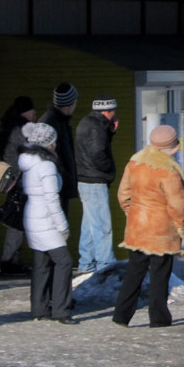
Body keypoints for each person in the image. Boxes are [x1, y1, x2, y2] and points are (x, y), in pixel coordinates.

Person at [112, 125, 184, 329]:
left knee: (134, 272)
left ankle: (121, 315)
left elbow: (123, 195)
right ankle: (159, 318)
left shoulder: (134, 164)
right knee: (159, 276)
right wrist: (181, 228)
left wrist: (132, 213)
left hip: (137, 228)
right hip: (162, 232)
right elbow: (177, 205)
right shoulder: (169, 171)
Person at [18, 122, 76, 324]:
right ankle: (61, 310)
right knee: (64, 261)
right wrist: (62, 226)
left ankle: (39, 308)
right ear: (49, 143)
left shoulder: (28, 162)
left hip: (32, 216)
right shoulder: (46, 165)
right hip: (45, 218)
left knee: (41, 262)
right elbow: (52, 198)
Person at [0, 95, 37, 276]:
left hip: (12, 177)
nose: (34, 113)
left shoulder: (9, 123)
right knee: (17, 221)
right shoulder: (19, 128)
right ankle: (9, 260)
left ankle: (11, 258)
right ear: (26, 110)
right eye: (32, 110)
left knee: (16, 219)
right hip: (18, 179)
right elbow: (31, 148)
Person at [75, 95, 119, 274]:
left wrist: (110, 132)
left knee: (89, 224)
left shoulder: (88, 122)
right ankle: (105, 264)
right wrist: (108, 170)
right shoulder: (97, 127)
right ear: (108, 111)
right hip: (95, 180)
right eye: (114, 110)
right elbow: (98, 152)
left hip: (85, 179)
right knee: (102, 225)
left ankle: (86, 262)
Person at [40, 82, 79, 212]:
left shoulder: (59, 121)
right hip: (56, 187)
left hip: (59, 184)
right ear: (70, 103)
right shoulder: (51, 123)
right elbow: (49, 157)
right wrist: (60, 183)